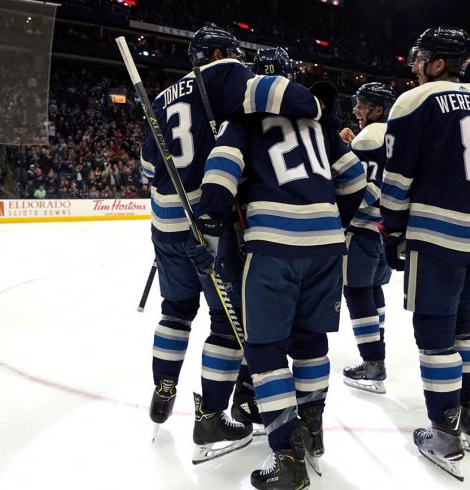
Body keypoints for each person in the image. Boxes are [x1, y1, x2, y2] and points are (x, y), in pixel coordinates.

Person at [139, 26, 322, 463]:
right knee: (227, 324)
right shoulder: (229, 74)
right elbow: (284, 102)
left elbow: (149, 166)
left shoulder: (164, 95)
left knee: (175, 312)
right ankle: (211, 415)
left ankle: (164, 384)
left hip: (163, 221)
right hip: (209, 222)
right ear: (220, 53)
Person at [197, 66, 366, 489]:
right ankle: (312, 429)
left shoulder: (242, 120)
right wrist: (330, 220)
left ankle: (286, 453)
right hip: (327, 246)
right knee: (311, 340)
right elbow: (355, 177)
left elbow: (218, 180)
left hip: (273, 244)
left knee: (265, 349)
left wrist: (210, 222)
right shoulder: (317, 123)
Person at [380, 26, 470, 481]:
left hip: (437, 235)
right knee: (464, 324)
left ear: (439, 64)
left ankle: (445, 433)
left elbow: (396, 183)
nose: (415, 65)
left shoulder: (413, 102)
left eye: (421, 59)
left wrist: (391, 232)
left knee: (434, 333)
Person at [338, 82, 397, 394]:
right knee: (372, 290)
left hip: (361, 230)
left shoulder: (369, 136)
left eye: (363, 105)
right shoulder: (393, 134)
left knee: (357, 292)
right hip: (384, 231)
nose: (356, 111)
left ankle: (373, 363)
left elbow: (363, 187)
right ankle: (378, 350)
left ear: (379, 109)